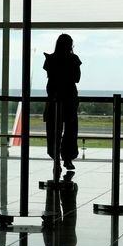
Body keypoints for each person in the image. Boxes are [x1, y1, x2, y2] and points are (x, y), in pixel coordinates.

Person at [43, 34, 81, 174]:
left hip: (54, 97)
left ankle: (56, 160)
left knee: (53, 131)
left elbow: (50, 78)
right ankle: (67, 158)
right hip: (69, 97)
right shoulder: (73, 59)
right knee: (70, 130)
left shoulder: (50, 59)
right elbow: (77, 78)